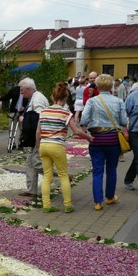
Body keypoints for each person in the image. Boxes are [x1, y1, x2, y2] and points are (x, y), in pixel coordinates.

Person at [36, 83, 93, 213]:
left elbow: (38, 132)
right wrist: (88, 137)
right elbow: (76, 131)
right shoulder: (65, 113)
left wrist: (39, 146)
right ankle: (67, 205)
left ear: (53, 97)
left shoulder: (44, 111)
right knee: (63, 175)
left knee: (47, 176)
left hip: (44, 145)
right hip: (57, 146)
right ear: (65, 98)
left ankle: (46, 205)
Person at [80, 74, 129, 211]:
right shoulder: (118, 101)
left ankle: (97, 202)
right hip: (113, 139)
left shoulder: (92, 101)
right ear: (111, 86)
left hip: (96, 139)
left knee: (97, 171)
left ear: (97, 85)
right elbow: (124, 121)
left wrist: (85, 126)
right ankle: (110, 197)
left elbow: (84, 119)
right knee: (111, 169)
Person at [17, 77, 47, 198]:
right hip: (34, 135)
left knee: (36, 163)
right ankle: (31, 190)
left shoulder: (38, 99)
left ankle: (61, 174)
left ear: (29, 89)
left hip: (38, 135)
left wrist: (25, 119)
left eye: (22, 89)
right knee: (30, 163)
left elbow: (39, 118)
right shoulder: (33, 97)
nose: (21, 92)